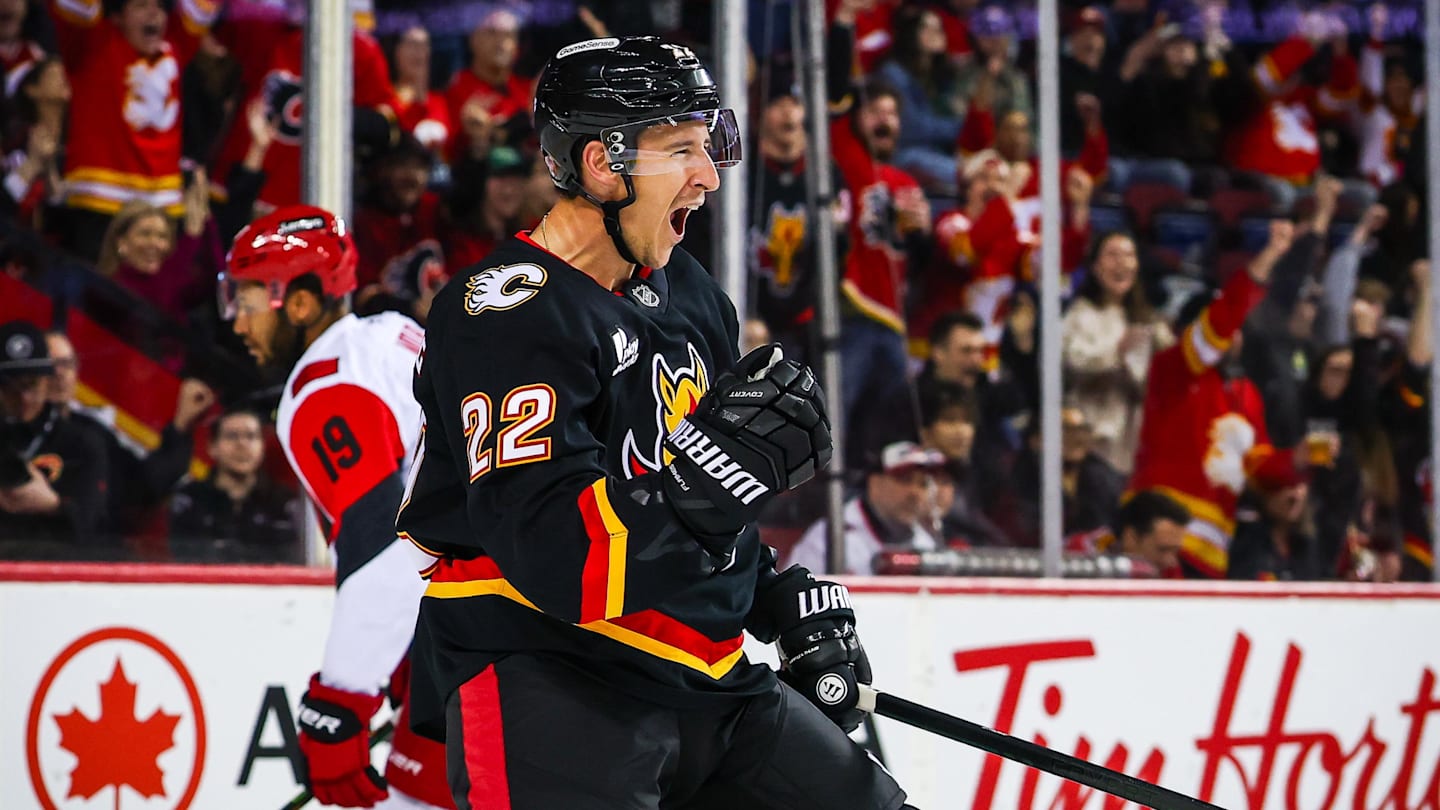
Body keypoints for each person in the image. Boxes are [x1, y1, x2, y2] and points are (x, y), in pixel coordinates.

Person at [397, 37, 909, 809]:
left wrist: (774, 597)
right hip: (552, 677)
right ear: (603, 164)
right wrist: (713, 483)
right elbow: (555, 557)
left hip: (708, 681)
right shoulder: (507, 311)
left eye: (708, 145)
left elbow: (689, 501)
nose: (708, 176)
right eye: (680, 150)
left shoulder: (689, 291)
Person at [220, 206, 452, 808]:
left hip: (485, 640)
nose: (237, 321)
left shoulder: (327, 390)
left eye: (245, 301)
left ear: (298, 304)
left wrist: (342, 699)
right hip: (514, 616)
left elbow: (388, 550)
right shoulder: (391, 336)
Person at [0, 319, 110, 558]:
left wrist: (53, 505)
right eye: (11, 388)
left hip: (54, 565)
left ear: (47, 381)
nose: (24, 398)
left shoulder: (81, 442)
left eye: (31, 385)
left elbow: (96, 529)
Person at [788, 441, 947, 575]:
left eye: (923, 484)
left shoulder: (925, 543)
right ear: (874, 484)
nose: (915, 493)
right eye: (905, 480)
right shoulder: (830, 536)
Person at [168, 406, 301, 563]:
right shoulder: (191, 500)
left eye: (251, 436)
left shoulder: (283, 503)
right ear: (212, 447)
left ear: (262, 447)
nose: (242, 444)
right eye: (232, 436)